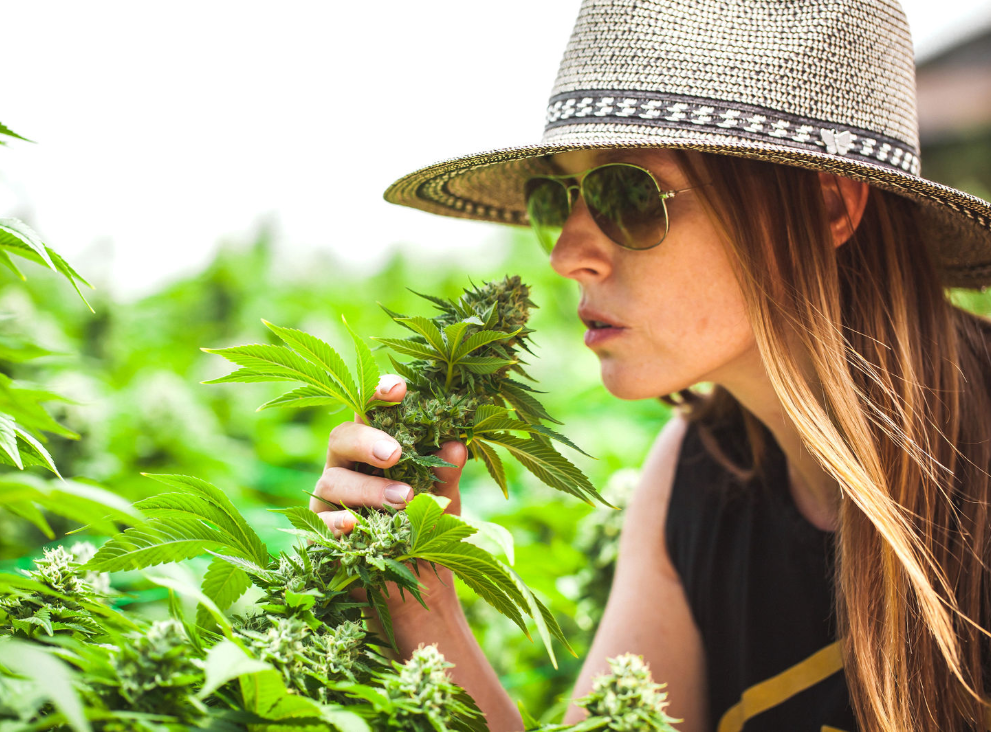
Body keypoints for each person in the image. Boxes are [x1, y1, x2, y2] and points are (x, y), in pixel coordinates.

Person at [309, 1, 991, 731]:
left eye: (627, 194)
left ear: (827, 208)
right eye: (556, 197)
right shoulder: (693, 474)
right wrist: (420, 600)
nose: (566, 255)